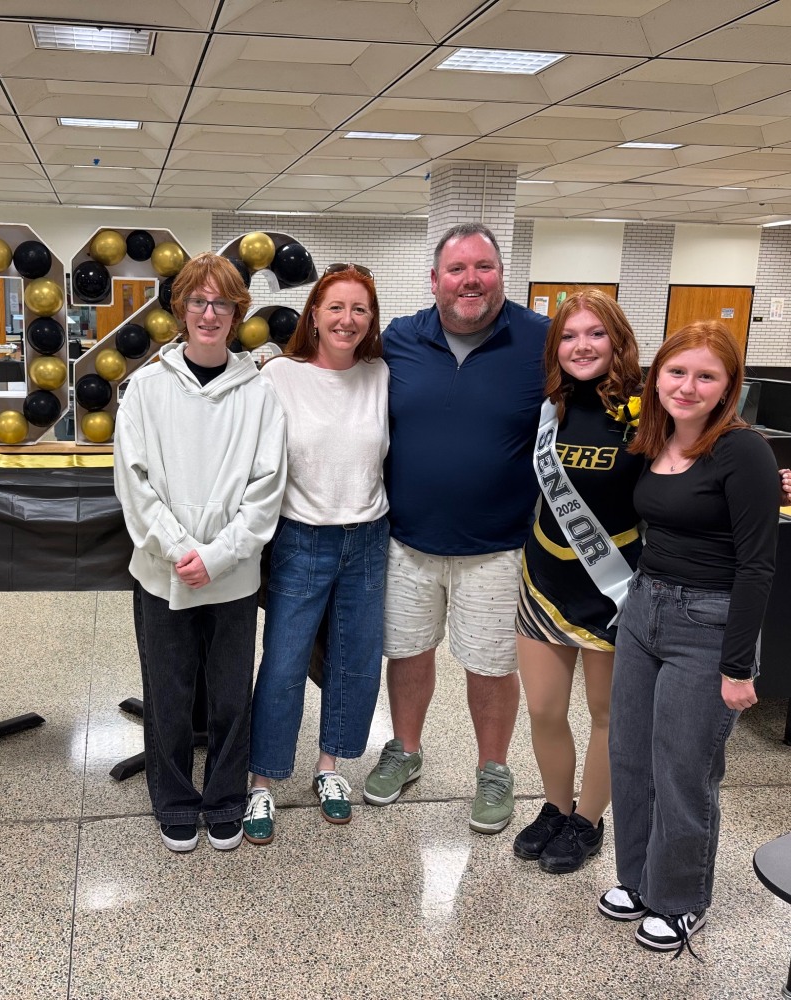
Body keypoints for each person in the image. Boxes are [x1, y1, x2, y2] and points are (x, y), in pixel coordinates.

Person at [599, 321, 780, 954]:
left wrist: (738, 667)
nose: (688, 386)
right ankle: (638, 879)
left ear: (729, 386)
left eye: (707, 376)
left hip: (709, 623)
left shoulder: (743, 451)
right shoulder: (652, 440)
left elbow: (759, 565)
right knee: (630, 754)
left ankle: (679, 899)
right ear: (657, 376)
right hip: (644, 610)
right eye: (677, 372)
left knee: (683, 768)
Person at [364, 222, 549, 834]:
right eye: (457, 270)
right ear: (435, 280)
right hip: (407, 541)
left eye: (483, 267)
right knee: (407, 653)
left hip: (498, 547)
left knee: (491, 665)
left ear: (501, 273)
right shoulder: (398, 339)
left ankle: (494, 768)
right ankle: (406, 750)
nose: (470, 280)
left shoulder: (540, 343)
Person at [114, 252, 287, 854]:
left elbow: (268, 489)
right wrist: (181, 549)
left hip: (233, 576)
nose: (209, 313)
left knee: (231, 691)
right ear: (179, 309)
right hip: (162, 572)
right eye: (197, 301)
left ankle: (224, 798)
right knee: (168, 689)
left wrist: (217, 556)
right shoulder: (146, 388)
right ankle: (174, 799)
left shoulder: (260, 394)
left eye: (221, 303)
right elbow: (134, 483)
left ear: (238, 313)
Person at [242, 263, 389, 845]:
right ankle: (262, 781)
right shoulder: (279, 374)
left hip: (369, 536)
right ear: (313, 315)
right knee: (282, 664)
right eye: (335, 308)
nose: (346, 320)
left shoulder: (381, 374)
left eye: (359, 309)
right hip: (300, 537)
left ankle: (330, 768)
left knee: (354, 661)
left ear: (371, 319)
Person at [512, 290, 644, 873]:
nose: (581, 346)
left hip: (615, 589)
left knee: (606, 714)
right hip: (543, 579)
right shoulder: (548, 408)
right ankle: (555, 806)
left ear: (616, 340)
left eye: (595, 334)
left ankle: (588, 821)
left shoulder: (648, 409)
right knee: (543, 709)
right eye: (568, 336)